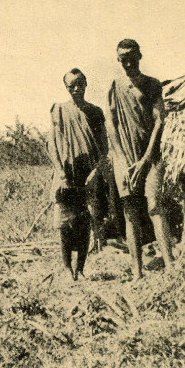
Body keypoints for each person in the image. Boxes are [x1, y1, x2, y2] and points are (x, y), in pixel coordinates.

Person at [107, 39, 175, 280]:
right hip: (124, 161)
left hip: (150, 158)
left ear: (139, 56)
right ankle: (137, 272)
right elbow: (111, 125)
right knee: (130, 213)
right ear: (117, 59)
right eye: (122, 57)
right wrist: (122, 158)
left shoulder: (152, 85)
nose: (126, 62)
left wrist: (146, 159)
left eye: (131, 56)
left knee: (155, 207)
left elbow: (159, 121)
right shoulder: (115, 87)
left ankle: (170, 267)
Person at [47, 68, 115, 280]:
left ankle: (80, 269)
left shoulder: (95, 112)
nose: (76, 89)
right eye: (71, 86)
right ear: (66, 88)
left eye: (80, 84)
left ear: (86, 84)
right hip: (66, 173)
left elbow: (104, 146)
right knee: (66, 224)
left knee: (85, 222)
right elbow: (52, 145)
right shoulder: (59, 110)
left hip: (89, 173)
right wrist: (60, 173)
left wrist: (96, 171)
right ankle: (67, 269)